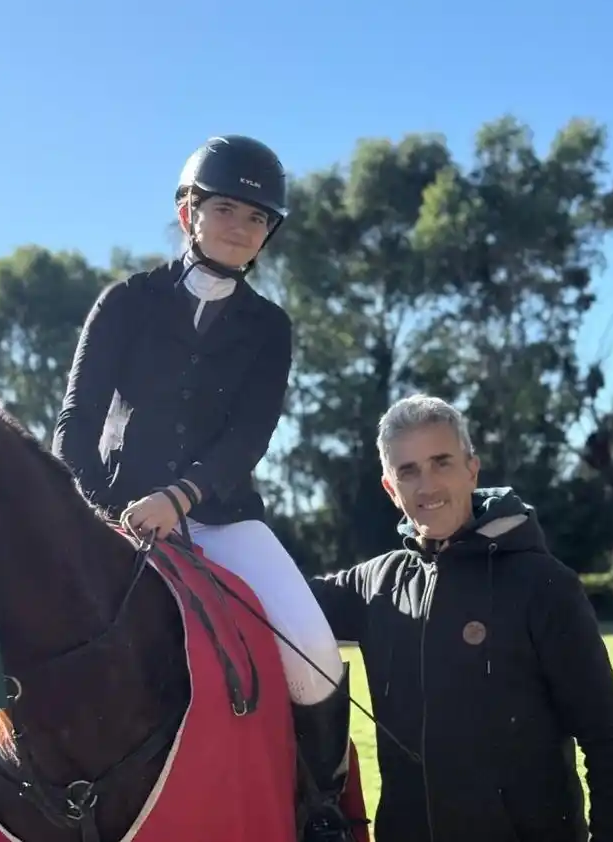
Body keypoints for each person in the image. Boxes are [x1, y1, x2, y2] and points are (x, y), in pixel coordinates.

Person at [51, 135, 365, 840]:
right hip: (112, 514)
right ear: (187, 211)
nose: (240, 227)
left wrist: (181, 498)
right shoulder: (125, 301)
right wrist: (98, 511)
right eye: (224, 208)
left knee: (314, 650)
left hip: (222, 517)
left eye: (257, 218)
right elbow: (75, 421)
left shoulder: (270, 327)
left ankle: (320, 808)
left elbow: (249, 437)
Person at [309, 393, 613, 842]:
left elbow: (610, 742)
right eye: (408, 471)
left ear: (472, 468)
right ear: (390, 488)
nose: (427, 486)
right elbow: (270, 600)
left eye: (441, 462)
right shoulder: (373, 584)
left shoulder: (544, 584)